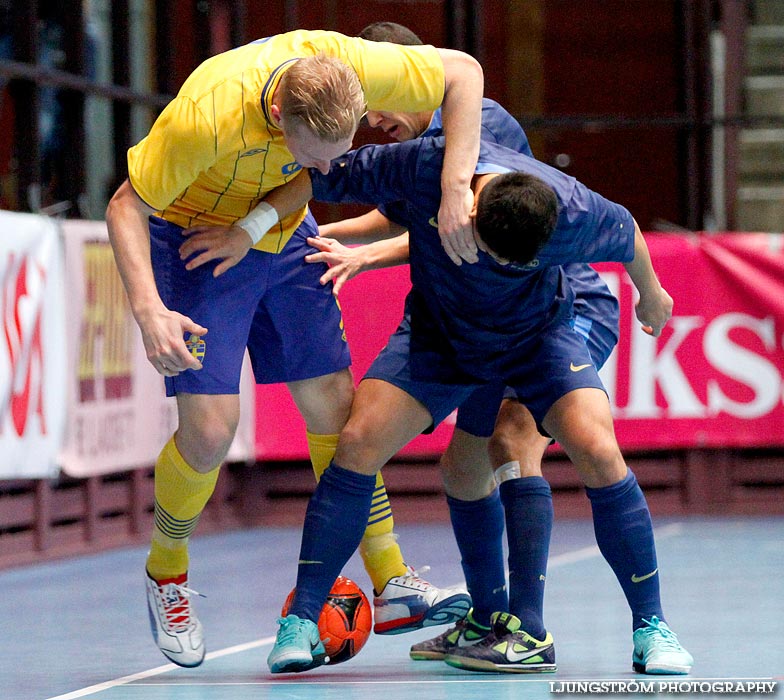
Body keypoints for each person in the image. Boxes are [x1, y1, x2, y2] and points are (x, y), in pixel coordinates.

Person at [104, 29, 483, 668]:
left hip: (276, 234)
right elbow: (124, 206)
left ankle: (390, 580)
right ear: (278, 115)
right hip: (195, 240)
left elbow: (464, 72)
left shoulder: (353, 65)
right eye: (318, 154)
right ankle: (166, 573)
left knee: (340, 412)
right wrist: (149, 313)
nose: (333, 169)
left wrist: (454, 187)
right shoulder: (207, 117)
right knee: (208, 433)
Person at [260, 135, 693, 676]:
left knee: (598, 449)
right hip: (442, 337)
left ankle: (652, 627)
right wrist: (250, 228)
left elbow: (626, 231)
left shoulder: (571, 209)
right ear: (467, 211)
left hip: (536, 336)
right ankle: (302, 619)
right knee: (357, 441)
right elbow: (315, 173)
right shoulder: (420, 166)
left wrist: (649, 293)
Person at [322, 21, 650, 672]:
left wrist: (363, 255)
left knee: (514, 437)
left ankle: (529, 631)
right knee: (462, 468)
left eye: (373, 98)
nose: (370, 118)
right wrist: (352, 242)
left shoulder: (482, 121)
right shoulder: (420, 144)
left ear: (408, 71)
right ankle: (487, 617)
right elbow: (415, 215)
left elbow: (472, 230)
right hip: (492, 312)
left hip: (561, 304)